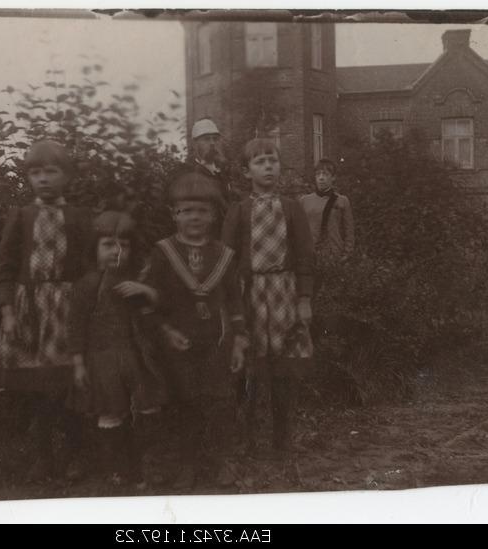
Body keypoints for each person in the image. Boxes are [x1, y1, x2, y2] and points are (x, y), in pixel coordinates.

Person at [0, 139, 91, 482]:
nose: (43, 179)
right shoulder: (21, 216)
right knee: (36, 389)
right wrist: (8, 311)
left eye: (51, 171)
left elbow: (91, 266)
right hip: (30, 310)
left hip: (67, 310)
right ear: (28, 178)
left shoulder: (78, 217)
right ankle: (43, 458)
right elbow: (4, 266)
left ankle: (78, 453)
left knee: (69, 386)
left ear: (67, 176)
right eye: (36, 172)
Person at [145, 172, 250, 490]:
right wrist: (164, 331)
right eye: (186, 210)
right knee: (184, 404)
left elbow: (234, 301)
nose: (194, 217)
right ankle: (187, 463)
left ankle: (223, 461)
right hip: (178, 345)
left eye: (202, 210)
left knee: (220, 403)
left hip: (217, 343)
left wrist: (239, 340)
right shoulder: (163, 253)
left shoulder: (224, 256)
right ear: (173, 214)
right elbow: (149, 302)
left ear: (215, 215)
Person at [222, 138, 315, 454]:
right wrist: (231, 301)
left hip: (284, 293)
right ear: (246, 171)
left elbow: (305, 255)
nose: (267, 167)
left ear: (280, 166)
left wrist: (304, 298)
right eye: (259, 161)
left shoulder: (292, 208)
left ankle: (281, 438)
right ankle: (246, 437)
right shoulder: (239, 210)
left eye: (272, 160)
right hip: (251, 294)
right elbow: (226, 258)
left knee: (283, 368)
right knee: (250, 367)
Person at [67, 211, 165, 488]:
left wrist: (146, 291)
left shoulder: (137, 279)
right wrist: (78, 363)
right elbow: (75, 326)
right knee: (111, 411)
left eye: (125, 244)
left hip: (137, 356)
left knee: (148, 407)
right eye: (108, 244)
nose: (117, 250)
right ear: (94, 248)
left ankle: (142, 465)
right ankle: (116, 468)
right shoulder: (87, 284)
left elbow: (156, 312)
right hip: (102, 358)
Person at [299, 157, 355, 299]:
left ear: (333, 178)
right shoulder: (304, 201)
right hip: (311, 256)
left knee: (332, 297)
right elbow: (298, 232)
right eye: (318, 174)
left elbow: (349, 231)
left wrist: (346, 255)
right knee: (311, 295)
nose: (321, 178)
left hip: (334, 256)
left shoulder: (342, 201)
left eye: (325, 175)